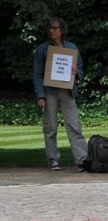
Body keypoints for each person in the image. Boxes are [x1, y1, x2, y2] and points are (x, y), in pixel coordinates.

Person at [32, 17, 88, 171]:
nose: (51, 30)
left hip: (67, 91)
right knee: (50, 127)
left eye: (55, 28)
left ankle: (82, 159)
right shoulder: (42, 49)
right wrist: (40, 95)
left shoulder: (71, 48)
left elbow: (80, 69)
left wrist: (76, 72)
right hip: (49, 92)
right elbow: (37, 74)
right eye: (50, 28)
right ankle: (53, 159)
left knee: (74, 125)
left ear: (62, 30)